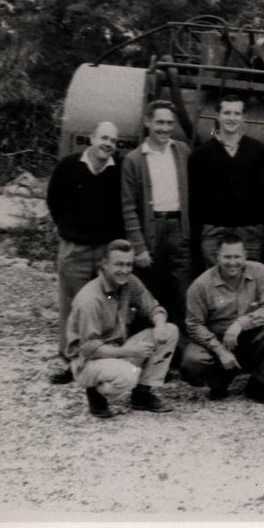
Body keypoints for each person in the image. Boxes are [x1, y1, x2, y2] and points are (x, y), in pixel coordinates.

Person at [45, 121, 125, 384]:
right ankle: (72, 363)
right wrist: (69, 228)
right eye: (103, 138)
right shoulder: (68, 166)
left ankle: (101, 361)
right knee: (73, 306)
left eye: (112, 141)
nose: (108, 144)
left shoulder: (119, 170)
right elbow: (53, 201)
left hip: (105, 251)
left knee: (105, 305)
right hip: (75, 249)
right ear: (91, 138)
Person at [66, 239, 178, 419]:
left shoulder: (129, 282)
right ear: (104, 265)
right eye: (118, 264)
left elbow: (153, 307)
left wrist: (160, 324)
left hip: (118, 350)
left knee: (170, 331)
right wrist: (131, 351)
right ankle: (96, 393)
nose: (125, 270)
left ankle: (141, 395)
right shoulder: (90, 299)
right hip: (88, 362)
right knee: (128, 375)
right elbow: (89, 349)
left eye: (129, 265)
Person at [182, 233, 264, 403]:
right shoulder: (200, 285)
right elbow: (193, 324)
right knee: (192, 360)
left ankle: (257, 383)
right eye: (227, 257)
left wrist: (241, 323)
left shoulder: (259, 271)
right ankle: (218, 383)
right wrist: (219, 350)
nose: (232, 262)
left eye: (237, 256)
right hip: (216, 340)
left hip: (248, 335)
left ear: (245, 256)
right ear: (217, 257)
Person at [121, 99, 192, 330]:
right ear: (147, 122)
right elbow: (128, 206)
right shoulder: (134, 159)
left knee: (181, 291)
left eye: (169, 123)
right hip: (152, 232)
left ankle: (181, 355)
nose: (165, 128)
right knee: (149, 291)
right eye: (159, 122)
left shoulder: (182, 151)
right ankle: (147, 347)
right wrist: (139, 247)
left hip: (178, 229)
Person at [188, 94, 264, 268]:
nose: (232, 118)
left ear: (244, 117)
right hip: (214, 233)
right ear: (217, 115)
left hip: (251, 233)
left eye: (236, 113)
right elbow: (195, 200)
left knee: (249, 282)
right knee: (214, 283)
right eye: (227, 113)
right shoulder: (200, 155)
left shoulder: (261, 152)